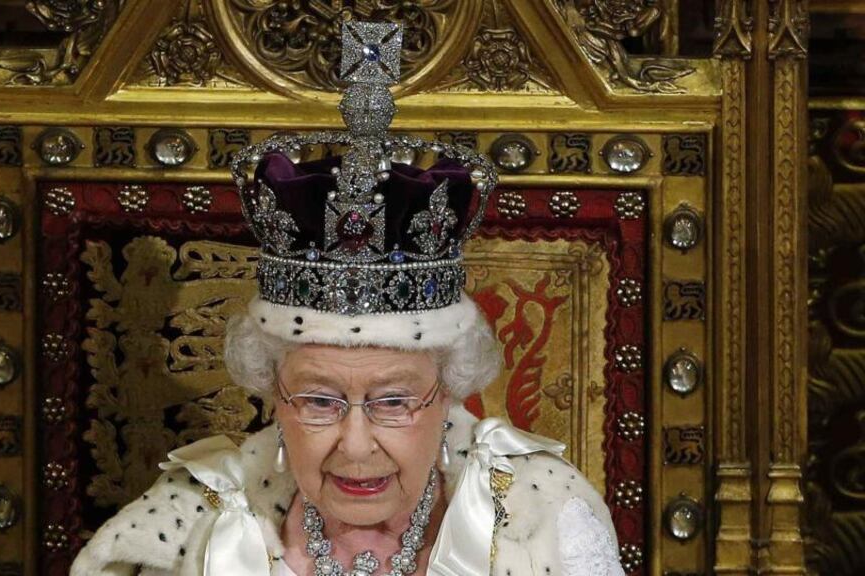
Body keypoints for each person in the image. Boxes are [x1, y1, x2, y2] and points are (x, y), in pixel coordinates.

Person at [71, 21, 625, 576]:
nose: (356, 448)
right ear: (274, 396)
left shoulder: (545, 520)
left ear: (448, 394)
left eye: (394, 401)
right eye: (318, 401)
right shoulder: (186, 530)